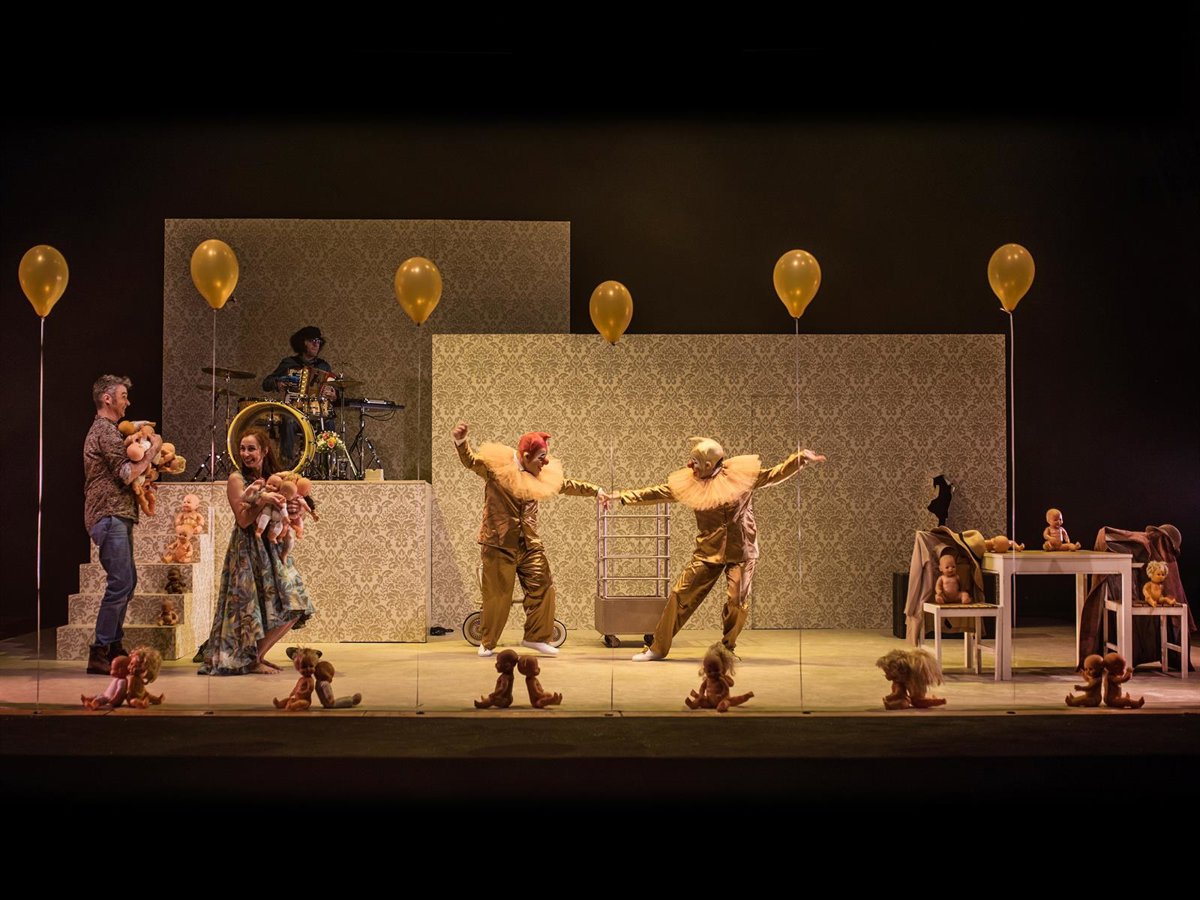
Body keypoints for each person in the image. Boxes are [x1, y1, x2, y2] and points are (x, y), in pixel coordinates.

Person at [616, 437, 825, 661]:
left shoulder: (740, 477)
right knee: (679, 594)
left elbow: (774, 475)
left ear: (709, 464)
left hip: (742, 550)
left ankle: (727, 648)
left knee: (737, 601)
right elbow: (659, 492)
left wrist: (799, 459)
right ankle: (657, 648)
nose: (689, 464)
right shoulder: (692, 481)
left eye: (695, 461)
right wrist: (620, 496)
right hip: (708, 550)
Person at [453, 422, 605, 656]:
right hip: (498, 543)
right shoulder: (497, 469)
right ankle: (488, 641)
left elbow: (565, 485)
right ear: (525, 456)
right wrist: (461, 442)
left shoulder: (540, 474)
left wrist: (596, 491)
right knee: (497, 596)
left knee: (543, 586)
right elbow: (471, 461)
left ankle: (536, 637)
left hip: (529, 544)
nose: (545, 463)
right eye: (540, 458)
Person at [197, 427, 314, 674]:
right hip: (248, 547)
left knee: (295, 604)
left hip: (272, 547)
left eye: (251, 448)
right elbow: (243, 520)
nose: (246, 453)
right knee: (250, 608)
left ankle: (256, 656)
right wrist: (263, 500)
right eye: (242, 449)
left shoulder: (275, 478)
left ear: (264, 450)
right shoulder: (236, 479)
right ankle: (252, 659)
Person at [83, 375, 162, 675]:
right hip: (109, 513)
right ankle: (100, 650)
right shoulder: (104, 431)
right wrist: (153, 449)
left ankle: (114, 645)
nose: (128, 402)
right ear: (107, 398)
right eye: (123, 396)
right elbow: (127, 473)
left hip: (118, 513)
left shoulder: (111, 431)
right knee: (120, 583)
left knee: (127, 583)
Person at [261, 326, 339, 456]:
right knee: (288, 421)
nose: (316, 344)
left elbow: (335, 391)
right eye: (312, 341)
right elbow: (266, 383)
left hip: (316, 413)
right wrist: (278, 383)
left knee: (329, 423)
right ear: (303, 343)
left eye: (318, 341)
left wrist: (333, 395)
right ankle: (287, 461)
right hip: (295, 412)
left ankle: (328, 464)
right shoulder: (289, 363)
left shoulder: (323, 366)